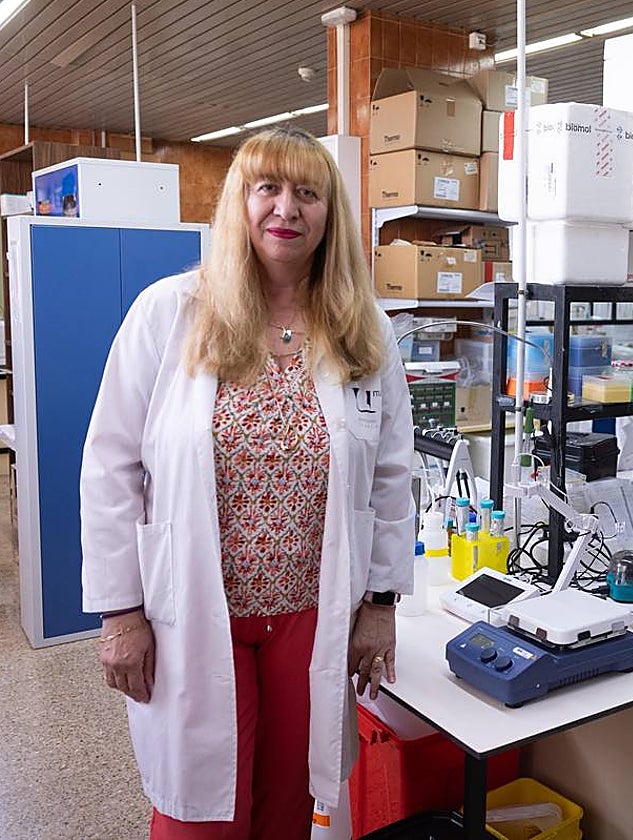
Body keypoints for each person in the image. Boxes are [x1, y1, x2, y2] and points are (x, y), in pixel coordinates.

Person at [80, 126, 415, 838]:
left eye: (307, 192)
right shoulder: (170, 314)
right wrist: (119, 614)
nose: (285, 209)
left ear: (329, 214)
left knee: (289, 807)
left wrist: (381, 603)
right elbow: (109, 467)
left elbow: (390, 476)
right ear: (240, 201)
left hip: (312, 614)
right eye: (268, 187)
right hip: (195, 611)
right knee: (199, 815)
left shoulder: (364, 333)